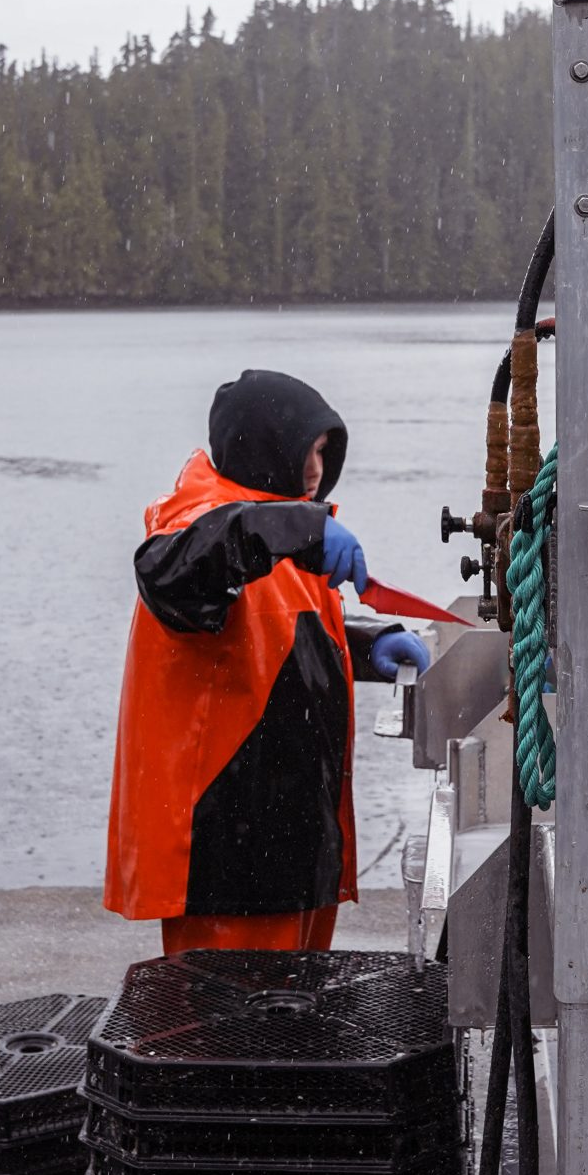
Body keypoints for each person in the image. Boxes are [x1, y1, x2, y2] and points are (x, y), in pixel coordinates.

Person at [105, 368, 431, 955]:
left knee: (291, 1025)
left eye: (326, 451)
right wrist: (293, 528)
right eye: (308, 449)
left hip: (290, 844)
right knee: (220, 1032)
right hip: (228, 852)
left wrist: (369, 645)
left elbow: (272, 630)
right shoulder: (203, 527)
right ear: (266, 448)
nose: (316, 468)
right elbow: (173, 573)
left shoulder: (272, 527)